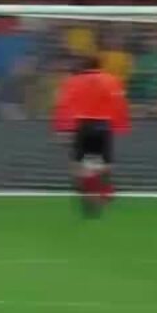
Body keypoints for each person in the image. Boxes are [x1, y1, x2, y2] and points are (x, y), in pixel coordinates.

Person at [53, 55, 130, 217]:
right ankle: (105, 190)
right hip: (104, 125)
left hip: (83, 124)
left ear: (82, 66)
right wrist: (121, 126)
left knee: (78, 164)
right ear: (100, 65)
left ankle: (92, 193)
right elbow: (120, 104)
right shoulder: (112, 80)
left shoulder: (73, 81)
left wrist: (61, 129)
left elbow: (64, 105)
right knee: (105, 162)